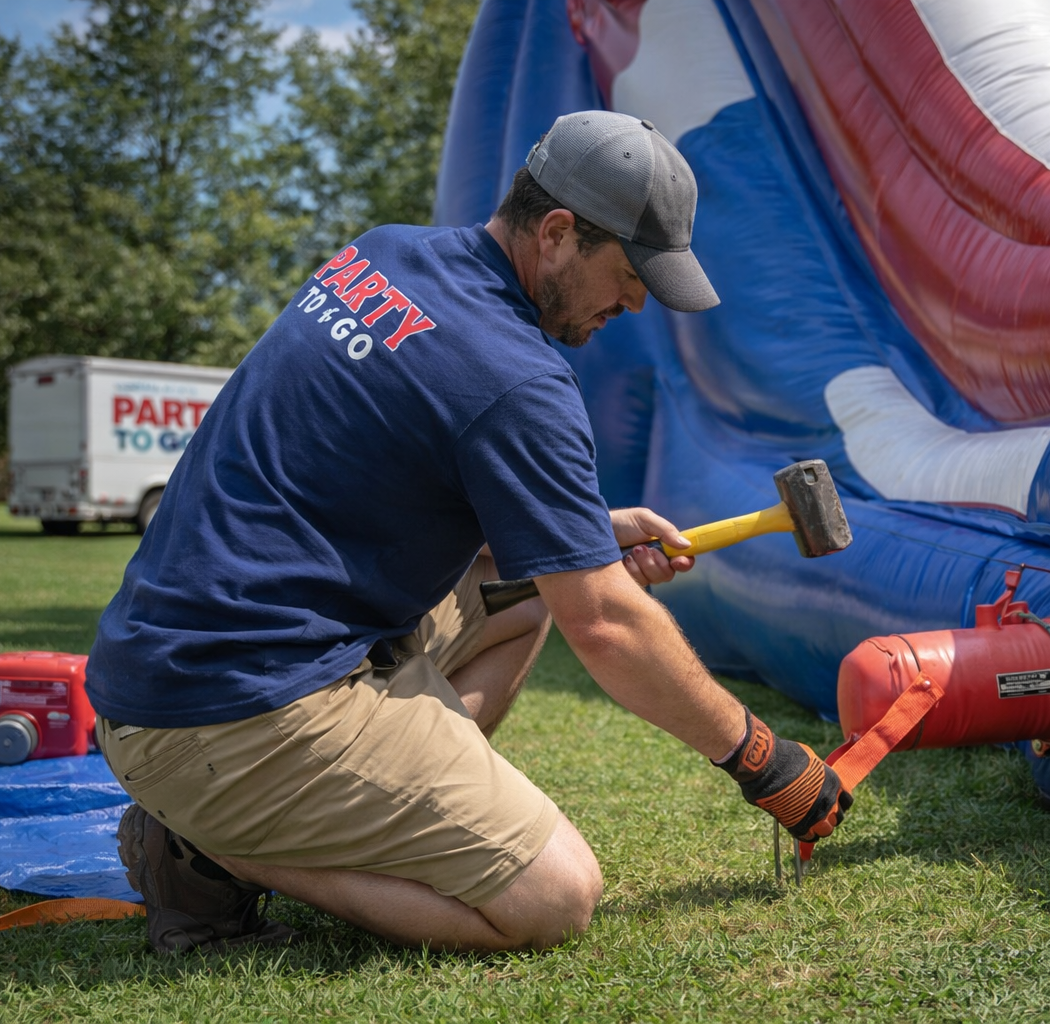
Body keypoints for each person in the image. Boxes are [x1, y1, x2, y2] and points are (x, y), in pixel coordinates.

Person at [84, 110, 851, 955]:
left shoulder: (382, 257)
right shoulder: (515, 379)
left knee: (522, 606)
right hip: (227, 712)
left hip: (157, 670)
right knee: (555, 897)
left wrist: (578, 534)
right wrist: (762, 759)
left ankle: (342, 802)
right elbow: (606, 622)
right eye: (630, 273)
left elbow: (381, 467)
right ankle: (212, 846)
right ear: (557, 232)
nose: (634, 302)